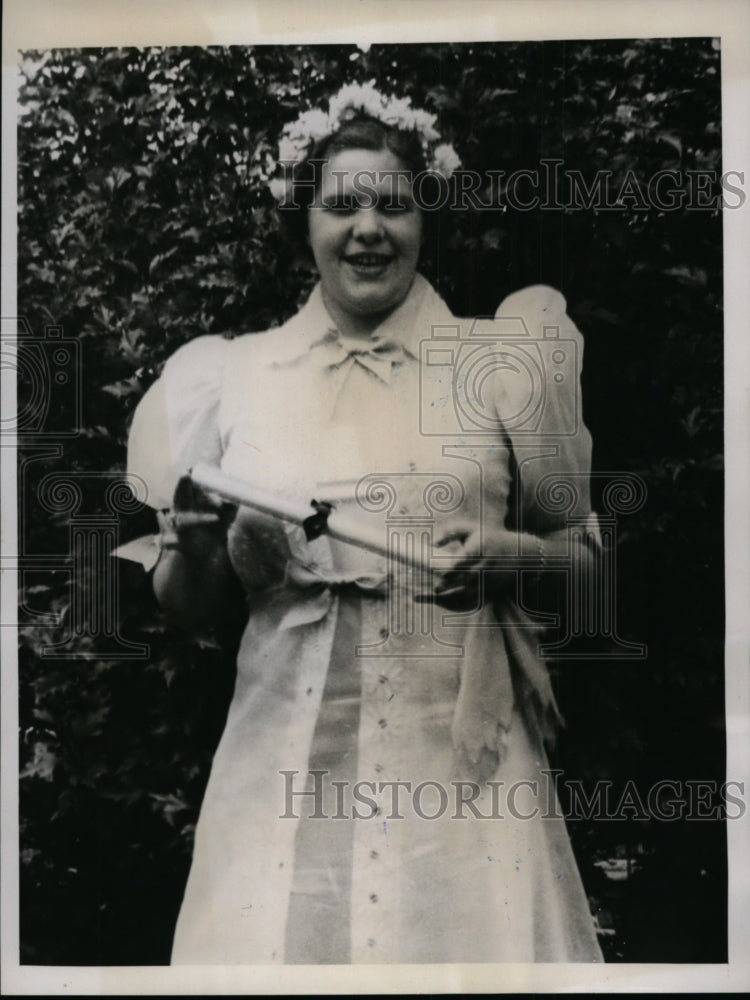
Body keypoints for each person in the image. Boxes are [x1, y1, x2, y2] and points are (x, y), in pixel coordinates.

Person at [126, 81, 605, 964]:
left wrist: (515, 558)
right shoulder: (233, 378)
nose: (368, 229)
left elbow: (590, 573)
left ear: (426, 218)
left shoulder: (500, 365)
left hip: (459, 775)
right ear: (305, 218)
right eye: (341, 204)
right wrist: (193, 545)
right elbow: (187, 607)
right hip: (276, 765)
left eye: (394, 204)